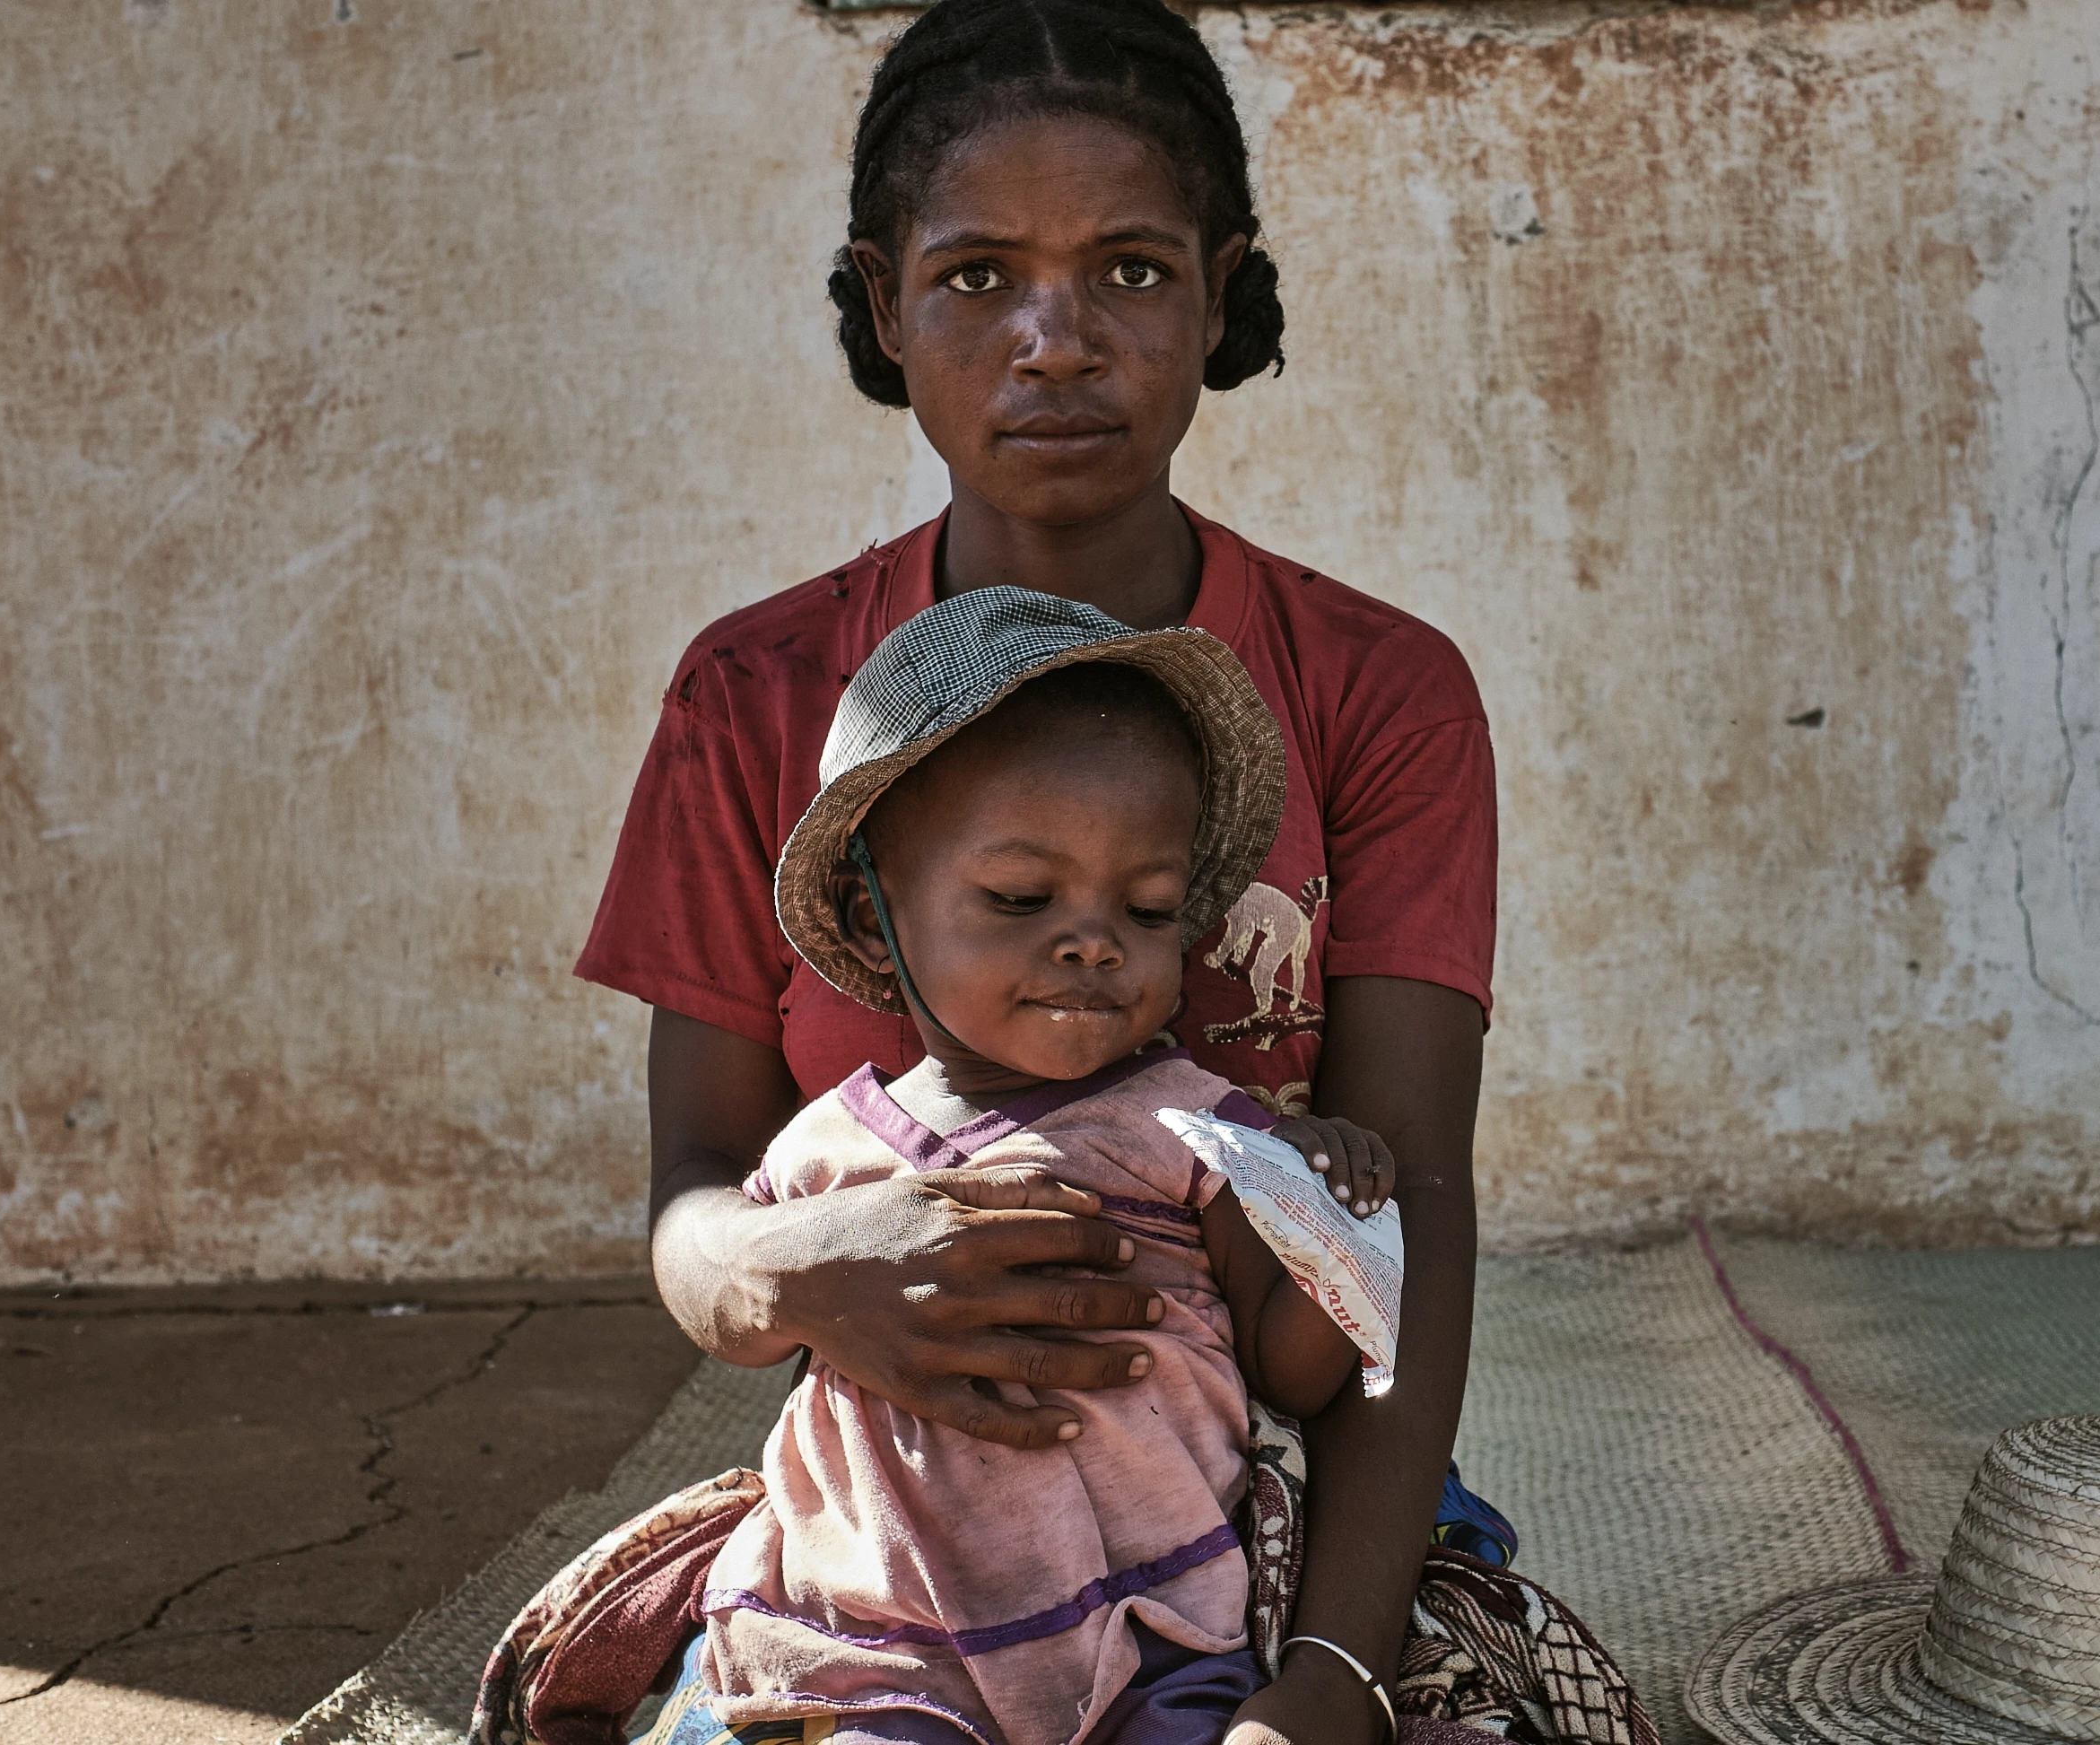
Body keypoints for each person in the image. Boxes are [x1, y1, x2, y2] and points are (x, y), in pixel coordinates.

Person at [571, 2, 1502, 1738]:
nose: (1056, 340)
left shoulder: (1381, 691)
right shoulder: (757, 697)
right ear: (882, 305)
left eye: (1133, 274)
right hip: (889, 1543)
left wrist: (1333, 1685)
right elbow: (695, 1194)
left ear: (1222, 295)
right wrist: (805, 1267)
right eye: (979, 274)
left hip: (1266, 1525)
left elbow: (1412, 1199)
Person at [693, 587, 1398, 1745]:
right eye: (1022, 898)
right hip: (883, 1645)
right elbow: (742, 1314)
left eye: (1150, 907)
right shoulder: (831, 1146)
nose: (1092, 940)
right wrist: (802, 1275)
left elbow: (1297, 1368)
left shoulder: (1198, 1125)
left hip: (1157, 1627)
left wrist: (1335, 1229)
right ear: (875, 924)